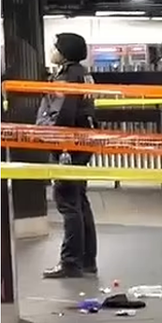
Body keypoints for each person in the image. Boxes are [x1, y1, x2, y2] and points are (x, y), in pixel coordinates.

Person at [39, 32, 98, 278]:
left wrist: (58, 143)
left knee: (67, 202)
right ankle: (87, 260)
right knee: (79, 200)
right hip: (83, 141)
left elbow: (63, 113)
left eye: (55, 46)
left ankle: (70, 262)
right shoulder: (83, 73)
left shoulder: (67, 76)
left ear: (64, 51)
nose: (52, 49)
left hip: (69, 144)